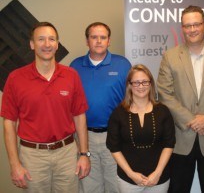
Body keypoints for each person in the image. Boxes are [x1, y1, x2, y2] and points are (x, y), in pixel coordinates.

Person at [1, 22, 90, 193]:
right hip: (32, 156)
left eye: (51, 39)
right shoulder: (15, 78)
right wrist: (14, 164)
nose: (47, 44)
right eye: (41, 39)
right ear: (32, 44)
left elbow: (79, 116)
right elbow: (9, 124)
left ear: (57, 44)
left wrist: (84, 154)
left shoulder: (71, 75)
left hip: (67, 154)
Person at [157, 5, 204, 193]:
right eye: (187, 26)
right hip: (181, 140)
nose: (192, 29)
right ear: (182, 28)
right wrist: (192, 120)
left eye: (196, 24)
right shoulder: (170, 56)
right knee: (177, 189)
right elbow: (164, 94)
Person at [70, 22, 132, 193]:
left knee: (116, 186)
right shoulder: (75, 67)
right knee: (89, 187)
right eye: (94, 37)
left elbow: (132, 101)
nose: (98, 41)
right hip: (84, 137)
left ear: (109, 41)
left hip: (114, 136)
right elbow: (70, 105)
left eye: (103, 37)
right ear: (87, 41)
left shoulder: (123, 65)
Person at [106, 64, 175, 193]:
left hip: (158, 179)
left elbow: (169, 144)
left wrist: (158, 173)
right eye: (136, 83)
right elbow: (114, 147)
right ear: (129, 85)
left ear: (151, 84)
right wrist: (131, 174)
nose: (141, 86)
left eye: (145, 82)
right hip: (128, 180)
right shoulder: (118, 114)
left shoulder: (163, 111)